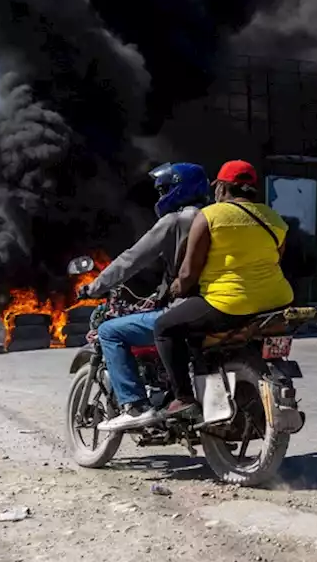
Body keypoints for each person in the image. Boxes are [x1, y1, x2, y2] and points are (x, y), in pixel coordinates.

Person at [154, 160, 295, 419]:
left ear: (222, 187)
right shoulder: (275, 219)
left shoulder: (209, 216)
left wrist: (174, 289)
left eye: (217, 186)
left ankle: (183, 398)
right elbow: (275, 259)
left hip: (229, 303)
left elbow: (187, 274)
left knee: (164, 327)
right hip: (277, 301)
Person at [78, 162, 211, 432]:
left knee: (109, 331)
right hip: (219, 304)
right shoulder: (216, 217)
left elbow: (132, 259)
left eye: (165, 190)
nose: (161, 197)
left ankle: (134, 405)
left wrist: (95, 285)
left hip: (187, 308)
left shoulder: (175, 221)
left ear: (178, 189)